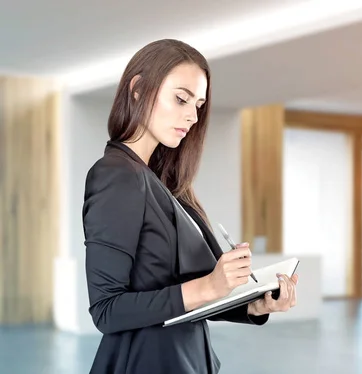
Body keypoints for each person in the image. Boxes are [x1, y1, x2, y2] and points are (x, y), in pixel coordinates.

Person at [82, 39, 299, 374]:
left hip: (186, 359)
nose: (192, 116)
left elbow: (179, 298)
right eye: (181, 98)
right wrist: (208, 285)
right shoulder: (116, 176)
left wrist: (253, 305)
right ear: (138, 89)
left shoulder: (161, 182)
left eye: (198, 105)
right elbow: (107, 310)